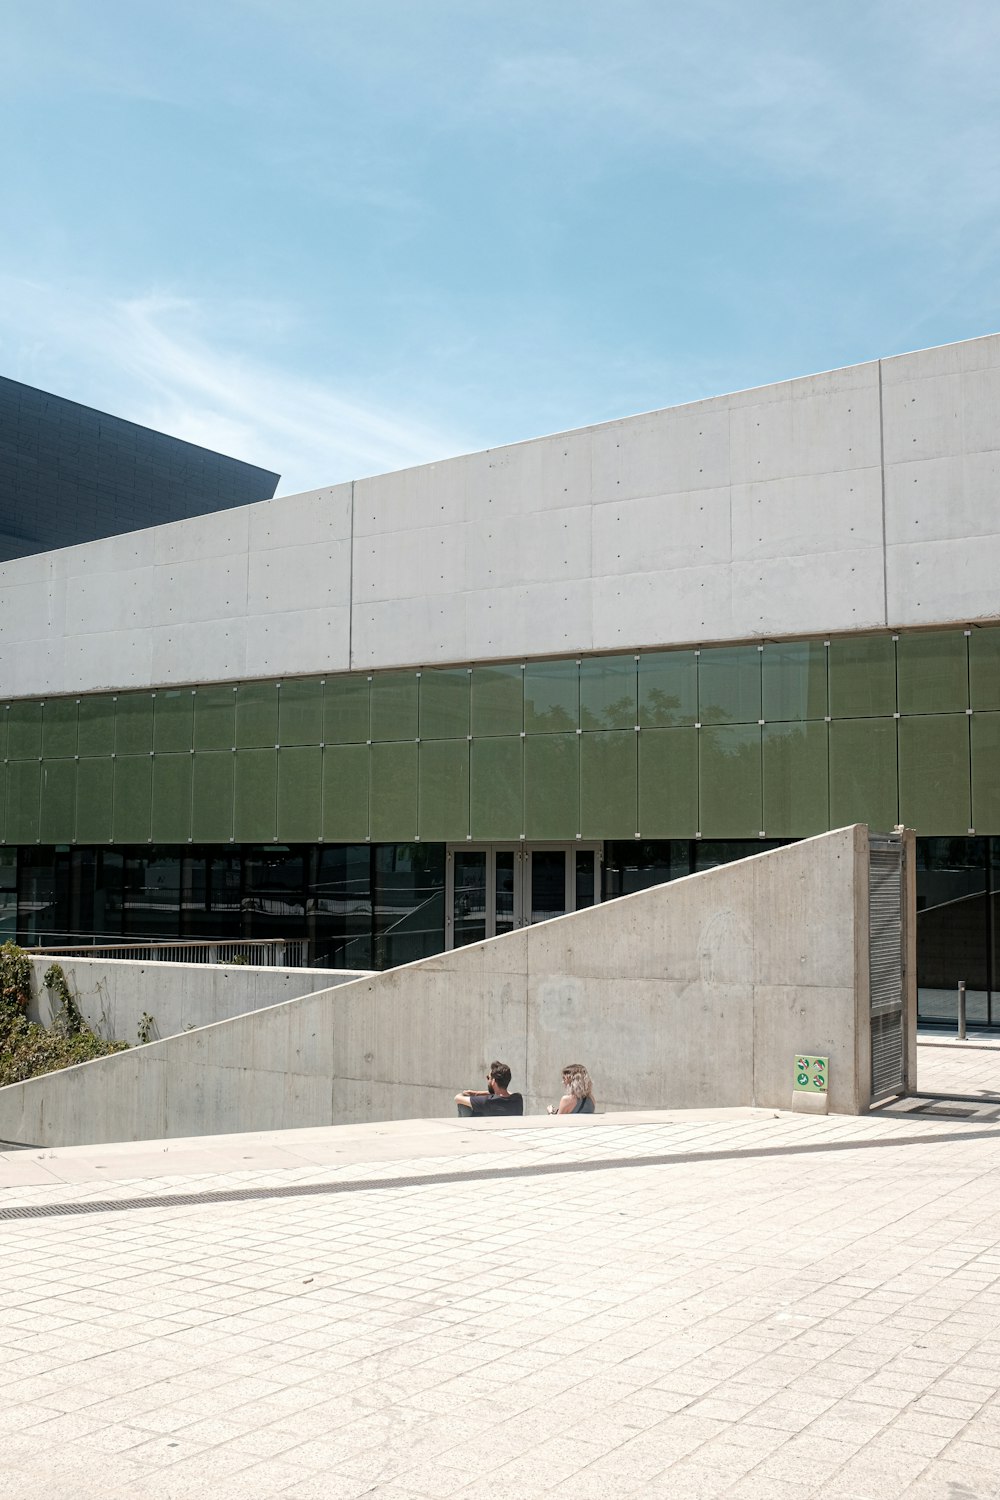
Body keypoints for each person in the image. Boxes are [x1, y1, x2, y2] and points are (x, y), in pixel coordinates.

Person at [455, 1060, 523, 1118]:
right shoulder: (518, 1098)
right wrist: (477, 1093)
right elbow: (507, 1093)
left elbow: (457, 1098)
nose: (488, 1080)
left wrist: (466, 1093)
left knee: (463, 1103)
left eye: (488, 1078)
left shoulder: (487, 1102)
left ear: (493, 1081)